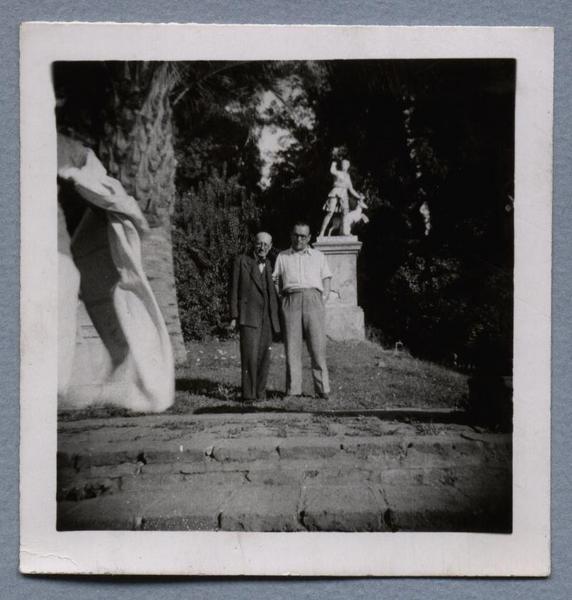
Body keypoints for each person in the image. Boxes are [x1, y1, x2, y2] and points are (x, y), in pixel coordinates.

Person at [273, 222, 332, 399]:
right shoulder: (282, 256)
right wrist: (282, 299)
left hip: (314, 299)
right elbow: (276, 279)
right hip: (291, 299)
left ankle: (322, 390)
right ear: (291, 235)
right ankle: (294, 390)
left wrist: (324, 297)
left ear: (309, 237)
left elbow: (326, 277)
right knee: (292, 346)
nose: (299, 239)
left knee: (317, 347)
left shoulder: (318, 256)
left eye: (303, 236)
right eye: (296, 235)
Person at [230, 232, 281, 402]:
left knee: (264, 357)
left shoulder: (268, 263)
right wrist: (234, 315)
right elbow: (234, 289)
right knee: (250, 356)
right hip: (249, 315)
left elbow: (271, 293)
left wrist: (276, 320)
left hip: (266, 318)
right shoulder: (242, 261)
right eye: (260, 243)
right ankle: (248, 394)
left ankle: (260, 393)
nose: (262, 247)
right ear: (254, 243)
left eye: (266, 245)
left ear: (271, 246)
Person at [318, 158, 364, 237]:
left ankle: (344, 232)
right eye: (343, 164)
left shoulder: (347, 176)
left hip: (344, 194)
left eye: (346, 164)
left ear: (348, 166)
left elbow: (351, 189)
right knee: (330, 212)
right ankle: (322, 232)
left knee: (345, 213)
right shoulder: (337, 172)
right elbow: (332, 171)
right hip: (335, 192)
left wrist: (359, 196)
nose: (344, 165)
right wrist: (334, 162)